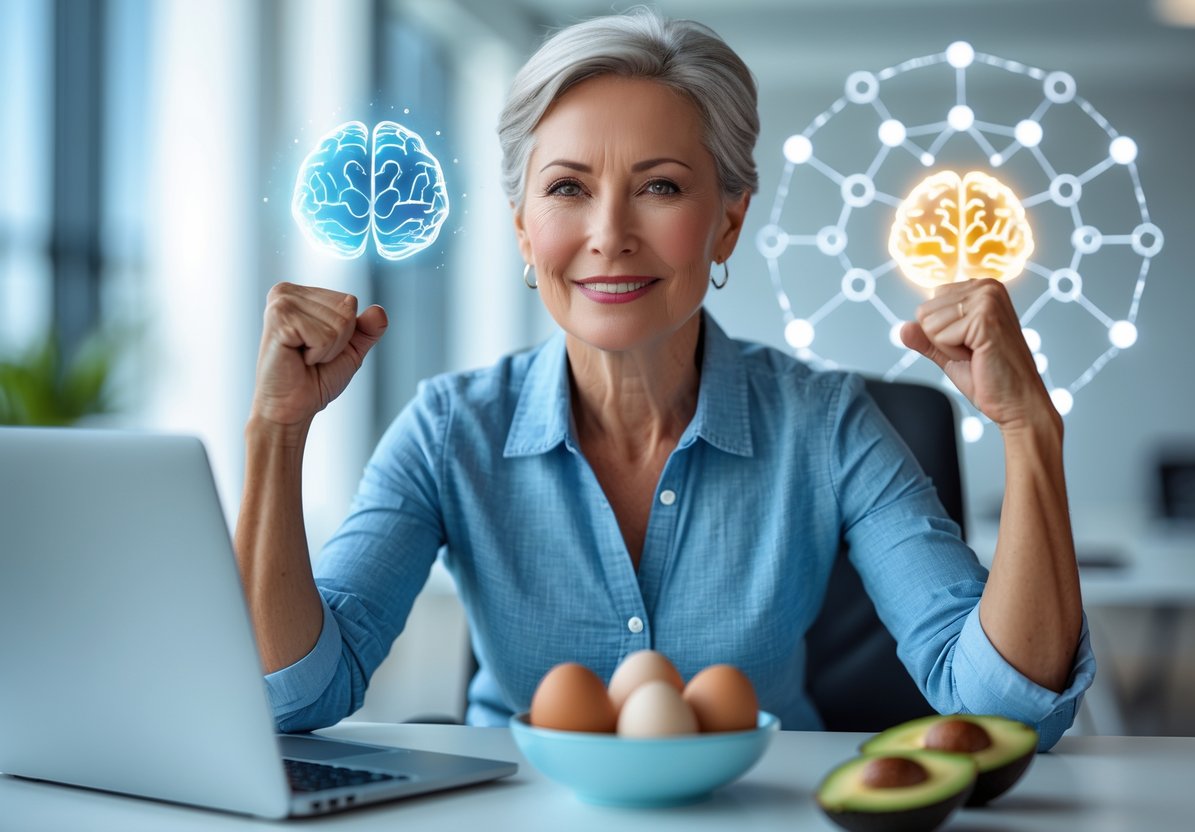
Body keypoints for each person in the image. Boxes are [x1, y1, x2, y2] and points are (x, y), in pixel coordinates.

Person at [235, 8, 1093, 748]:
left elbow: (1004, 706)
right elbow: (290, 695)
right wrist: (276, 432)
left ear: (727, 222)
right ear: (524, 230)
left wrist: (1031, 434)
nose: (609, 234)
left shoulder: (827, 424)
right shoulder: (447, 428)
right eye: (568, 188)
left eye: (660, 186)